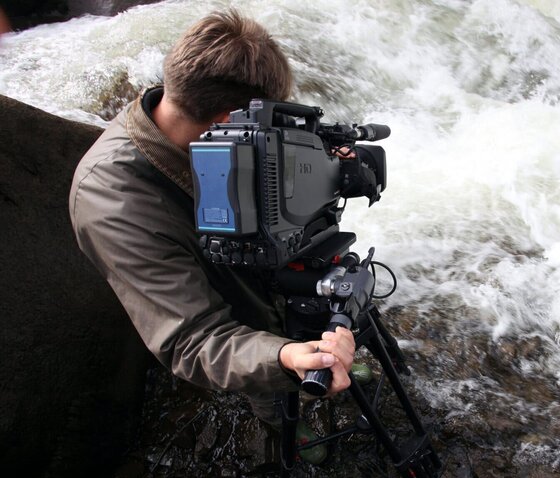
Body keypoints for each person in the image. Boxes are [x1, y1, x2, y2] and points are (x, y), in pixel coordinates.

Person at [69, 10, 354, 424]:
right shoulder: (113, 201)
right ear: (230, 123)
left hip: (281, 286)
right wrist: (283, 357)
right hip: (247, 336)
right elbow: (192, 338)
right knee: (284, 411)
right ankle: (287, 434)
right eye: (270, 126)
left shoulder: (221, 131)